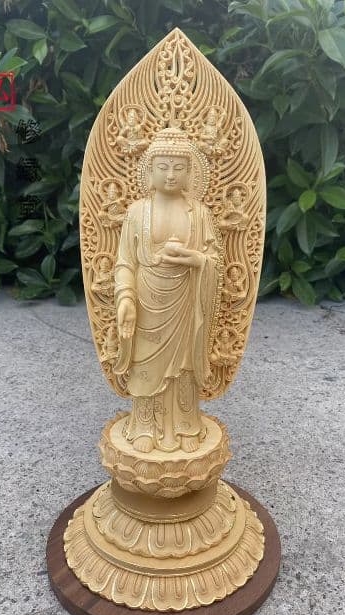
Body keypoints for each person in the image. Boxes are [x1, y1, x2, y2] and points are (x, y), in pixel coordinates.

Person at [113, 127, 221, 453]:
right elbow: (125, 263)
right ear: (149, 171)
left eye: (178, 167)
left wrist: (197, 259)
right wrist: (126, 299)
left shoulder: (200, 214)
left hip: (187, 298)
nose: (171, 175)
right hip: (147, 299)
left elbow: (214, 259)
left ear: (190, 173)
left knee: (184, 365)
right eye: (163, 167)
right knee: (145, 363)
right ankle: (144, 424)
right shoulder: (136, 213)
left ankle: (186, 423)